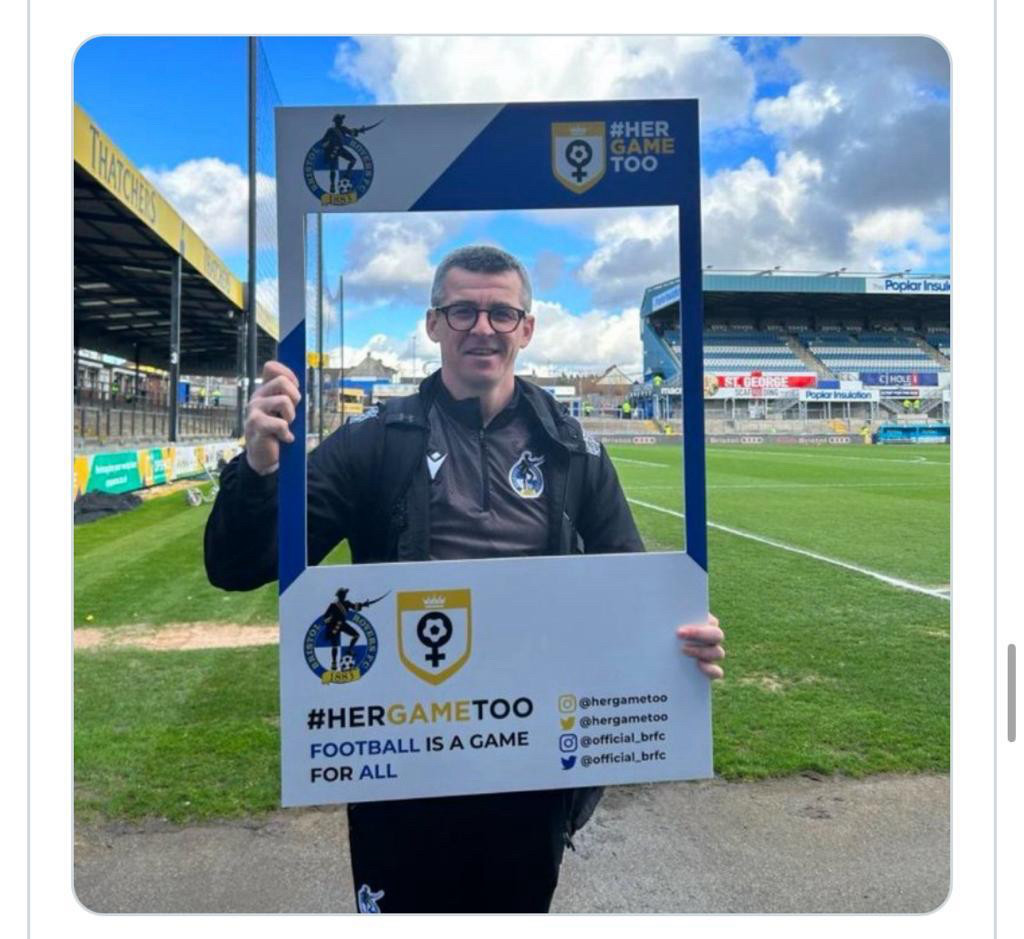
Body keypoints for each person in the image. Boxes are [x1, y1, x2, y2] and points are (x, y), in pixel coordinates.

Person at [204, 245, 725, 914]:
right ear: (433, 324)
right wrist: (257, 466)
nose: (483, 327)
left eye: (502, 312)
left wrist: (683, 642)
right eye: (463, 311)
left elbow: (631, 593)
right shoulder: (372, 443)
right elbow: (238, 565)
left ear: (526, 327)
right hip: (405, 766)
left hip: (531, 768)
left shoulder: (574, 451)